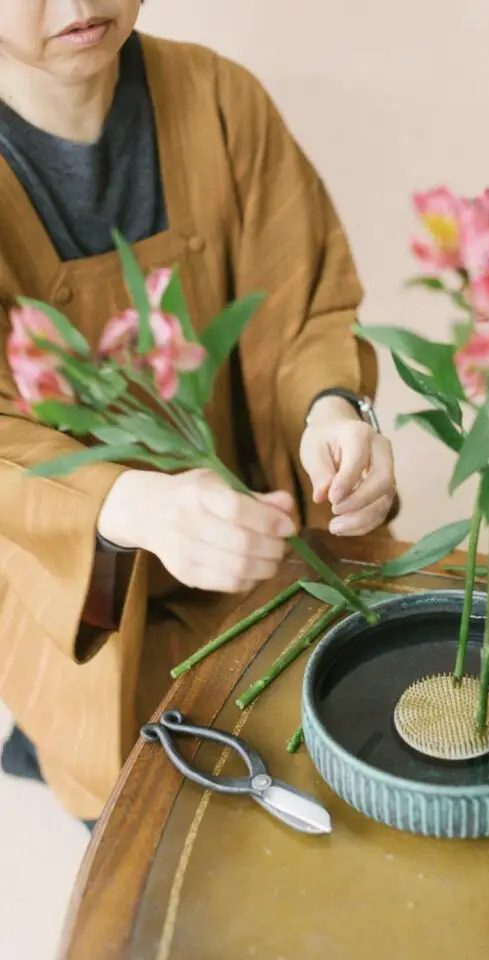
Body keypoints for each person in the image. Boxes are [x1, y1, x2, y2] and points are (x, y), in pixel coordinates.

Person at [0, 1, 397, 827]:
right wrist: (129, 506)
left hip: (265, 547)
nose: (79, 7)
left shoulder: (219, 98)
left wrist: (332, 414)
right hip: (79, 592)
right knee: (170, 849)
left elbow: (308, 310)